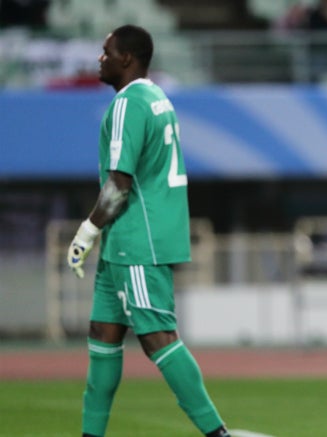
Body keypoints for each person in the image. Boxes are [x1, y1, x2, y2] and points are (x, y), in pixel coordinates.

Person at [66, 25, 230, 437]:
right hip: (129, 239)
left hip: (137, 239)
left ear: (126, 58)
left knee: (158, 336)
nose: (100, 60)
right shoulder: (158, 98)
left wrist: (86, 231)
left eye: (106, 53)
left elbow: (120, 184)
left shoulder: (128, 105)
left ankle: (217, 433)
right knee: (103, 334)